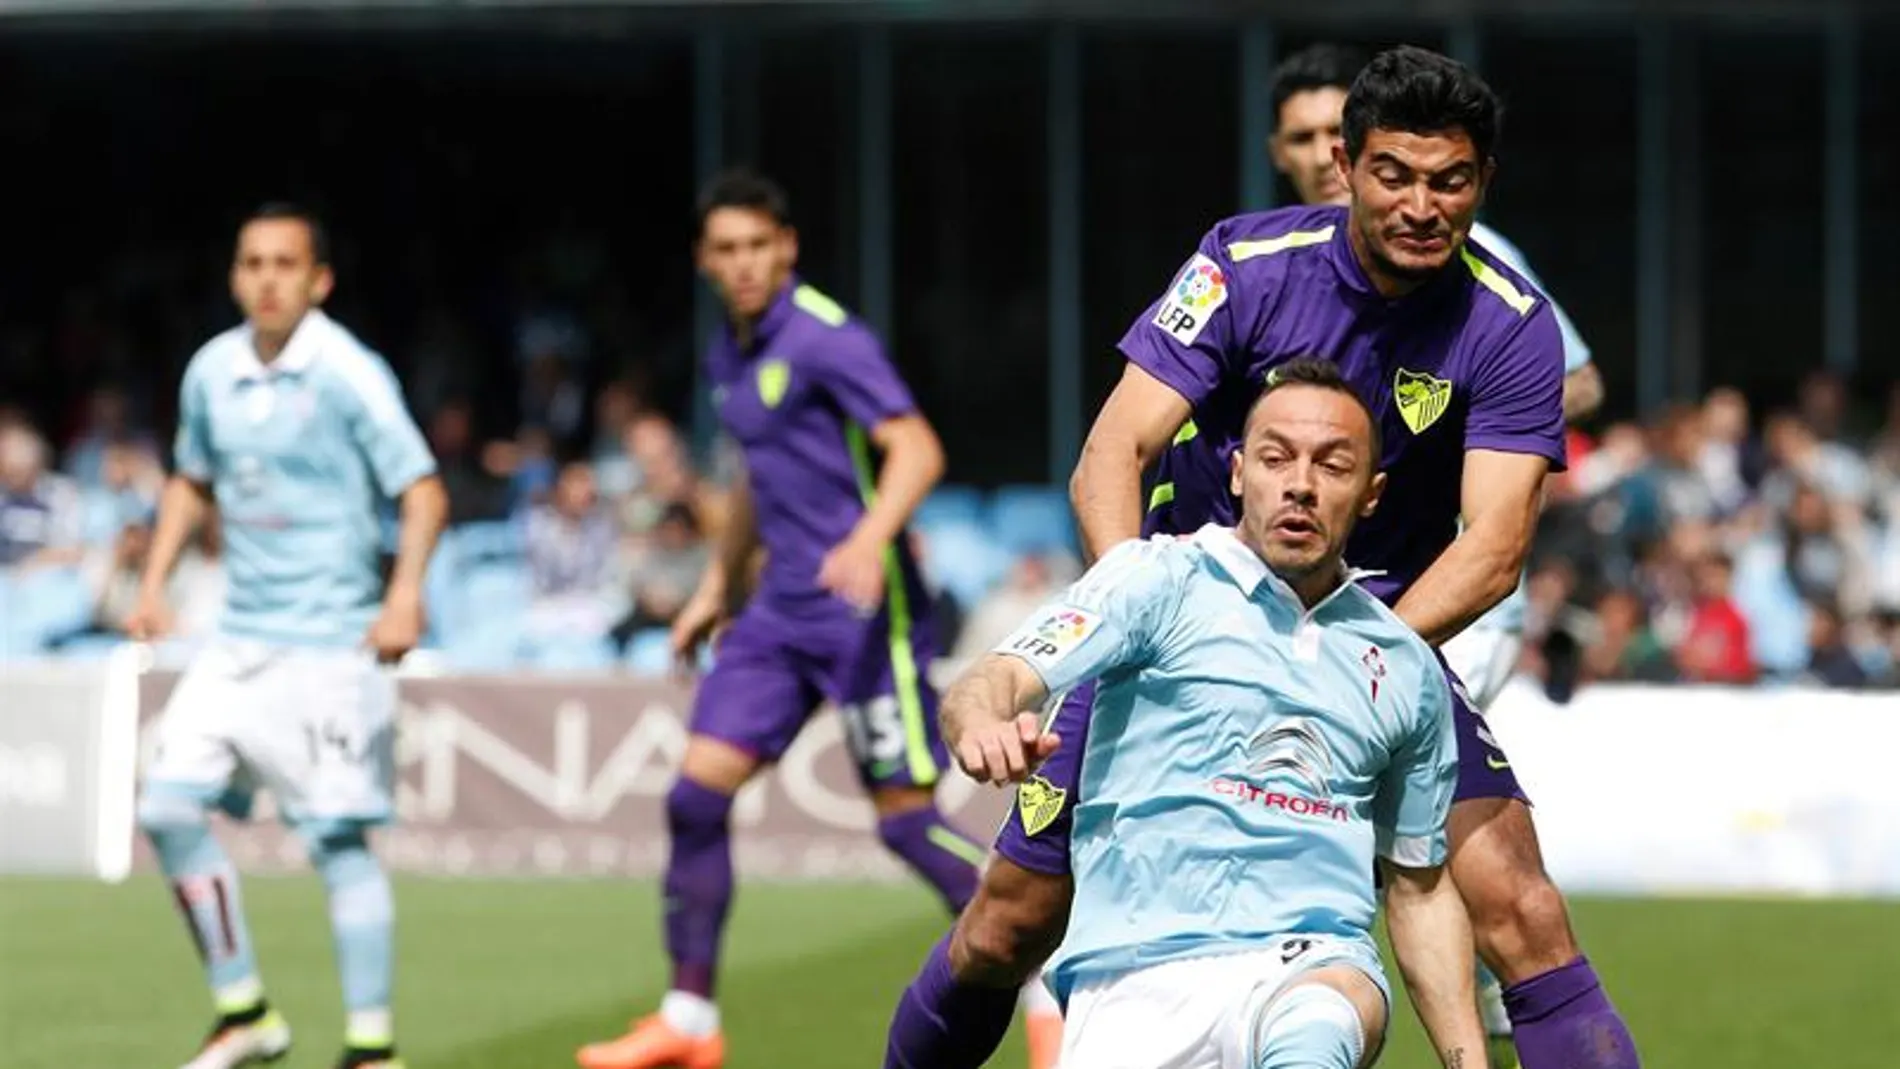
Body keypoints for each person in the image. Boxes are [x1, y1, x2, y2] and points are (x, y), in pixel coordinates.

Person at [885, 46, 1641, 1069]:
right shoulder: (1244, 265)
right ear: (1347, 164)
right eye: (1395, 175)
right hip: (1186, 618)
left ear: (1484, 182)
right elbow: (1113, 453)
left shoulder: (1509, 324)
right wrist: (1145, 620)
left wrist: (1340, 664)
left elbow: (1496, 544)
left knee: (1522, 906)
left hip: (1377, 627)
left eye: (1450, 181)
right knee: (1006, 924)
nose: (1422, 206)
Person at [576, 170, 984, 1069]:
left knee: (905, 823)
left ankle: (1038, 948)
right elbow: (756, 479)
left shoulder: (827, 338)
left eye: (759, 245)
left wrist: (867, 540)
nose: (745, 263)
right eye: (727, 249)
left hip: (866, 613)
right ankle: (690, 1020)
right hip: (779, 614)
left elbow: (917, 448)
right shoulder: (729, 351)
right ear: (703, 260)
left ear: (787, 247)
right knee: (694, 796)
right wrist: (716, 588)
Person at [945, 360, 1457, 1069]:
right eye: (1277, 458)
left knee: (1321, 1019)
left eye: (1333, 465)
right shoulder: (1155, 579)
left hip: (1308, 965)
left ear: (1370, 494)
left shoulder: (1401, 662)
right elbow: (994, 678)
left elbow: (1421, 889)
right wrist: (983, 723)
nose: (1301, 484)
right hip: (1130, 982)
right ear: (1239, 473)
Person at [1268, 41, 1610, 1064]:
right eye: (1301, 139)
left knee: (1449, 864)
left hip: (1447, 603)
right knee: (1412, 863)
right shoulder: (1267, 265)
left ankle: (1482, 1009)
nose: (1317, 158)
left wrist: (1486, 430)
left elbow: (1580, 381)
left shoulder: (1470, 257)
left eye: (1442, 177)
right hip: (1289, 611)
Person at [128, 203, 448, 1069]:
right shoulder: (211, 371)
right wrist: (153, 583)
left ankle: (371, 1048)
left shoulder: (348, 372)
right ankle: (245, 1011)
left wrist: (404, 596)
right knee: (164, 807)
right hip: (237, 640)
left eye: (285, 264)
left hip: (330, 644)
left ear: (319, 280)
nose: (267, 279)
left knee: (336, 842)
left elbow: (422, 489)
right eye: (252, 263)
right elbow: (191, 479)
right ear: (235, 276)